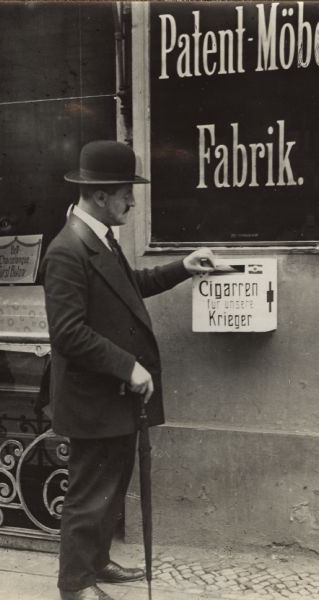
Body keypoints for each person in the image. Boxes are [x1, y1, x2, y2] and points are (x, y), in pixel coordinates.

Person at [40, 140, 216, 600]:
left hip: (111, 398)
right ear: (100, 196)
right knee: (88, 495)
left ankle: (96, 562)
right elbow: (68, 334)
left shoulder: (97, 239)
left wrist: (182, 267)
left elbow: (128, 288)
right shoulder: (66, 251)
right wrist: (128, 367)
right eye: (126, 194)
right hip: (95, 398)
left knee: (110, 488)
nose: (132, 203)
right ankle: (75, 585)